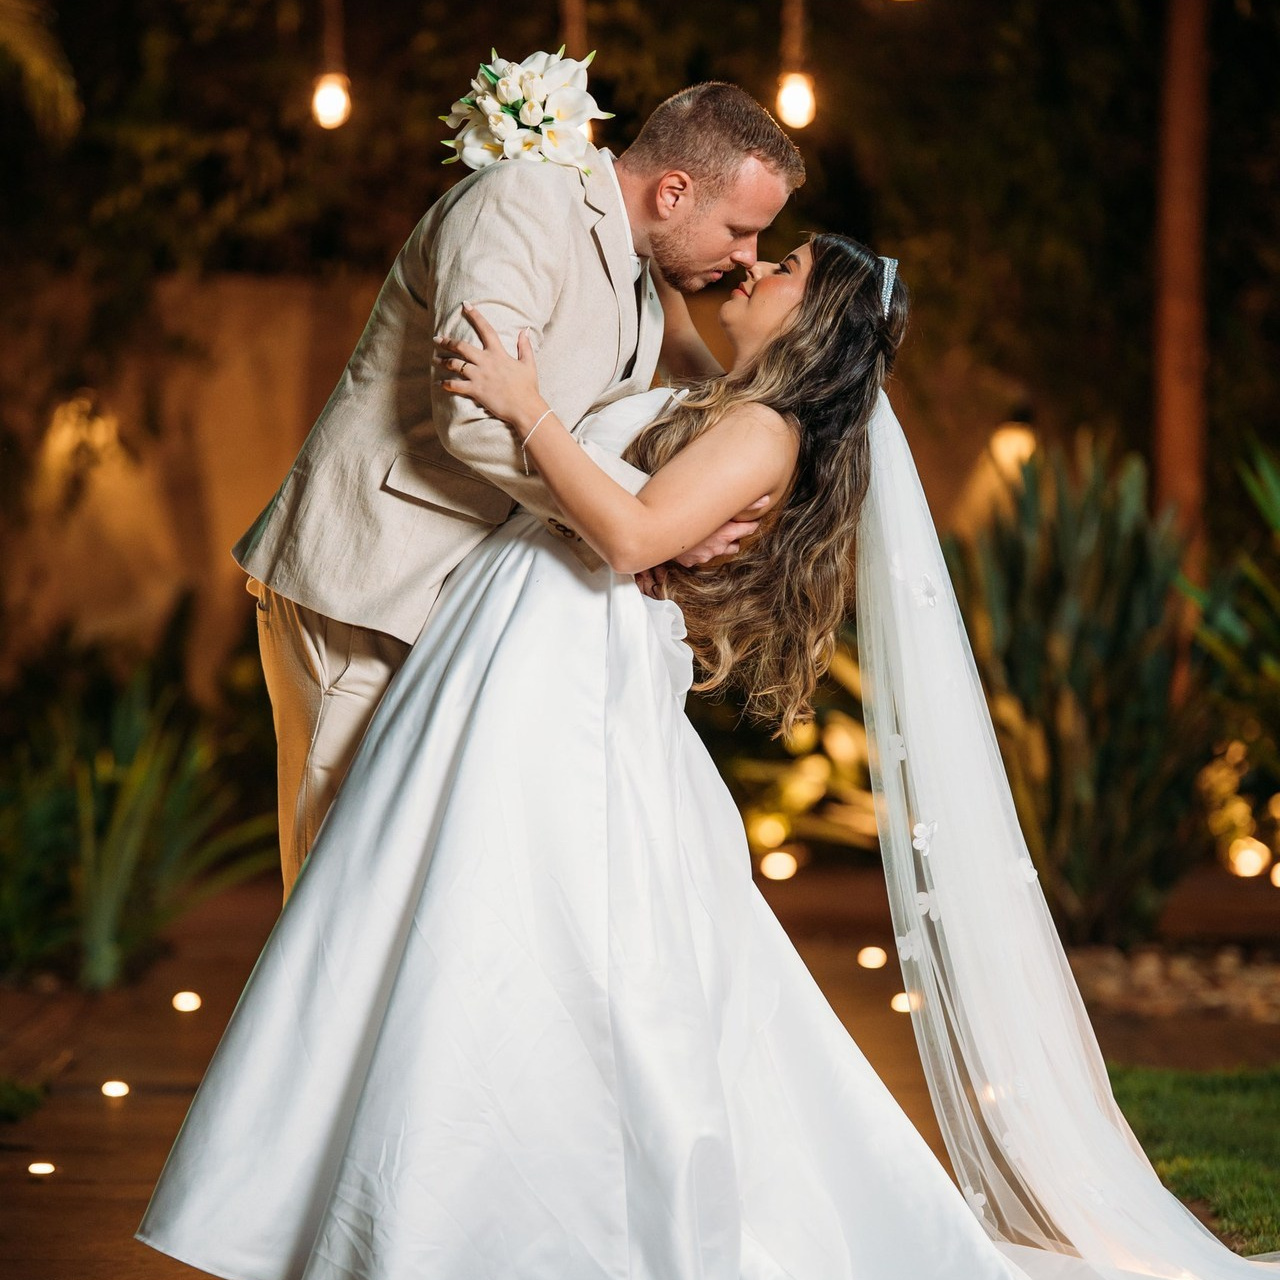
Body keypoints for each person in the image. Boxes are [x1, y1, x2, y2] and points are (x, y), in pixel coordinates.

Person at [137, 236, 1280, 1280]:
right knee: (476, 918)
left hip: (565, 681)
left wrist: (524, 408)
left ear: (812, 317)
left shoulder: (763, 432)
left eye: (777, 265)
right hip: (523, 662)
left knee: (514, 929)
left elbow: (631, 534)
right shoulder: (716, 403)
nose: (751, 270)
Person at [231, 82, 805, 898]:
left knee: (417, 888)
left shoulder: (648, 275)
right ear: (674, 191)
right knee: (338, 879)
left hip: (462, 604)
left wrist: (685, 511)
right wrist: (635, 524)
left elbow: (595, 422)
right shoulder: (523, 205)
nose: (749, 254)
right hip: (369, 582)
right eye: (742, 228)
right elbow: (473, 415)